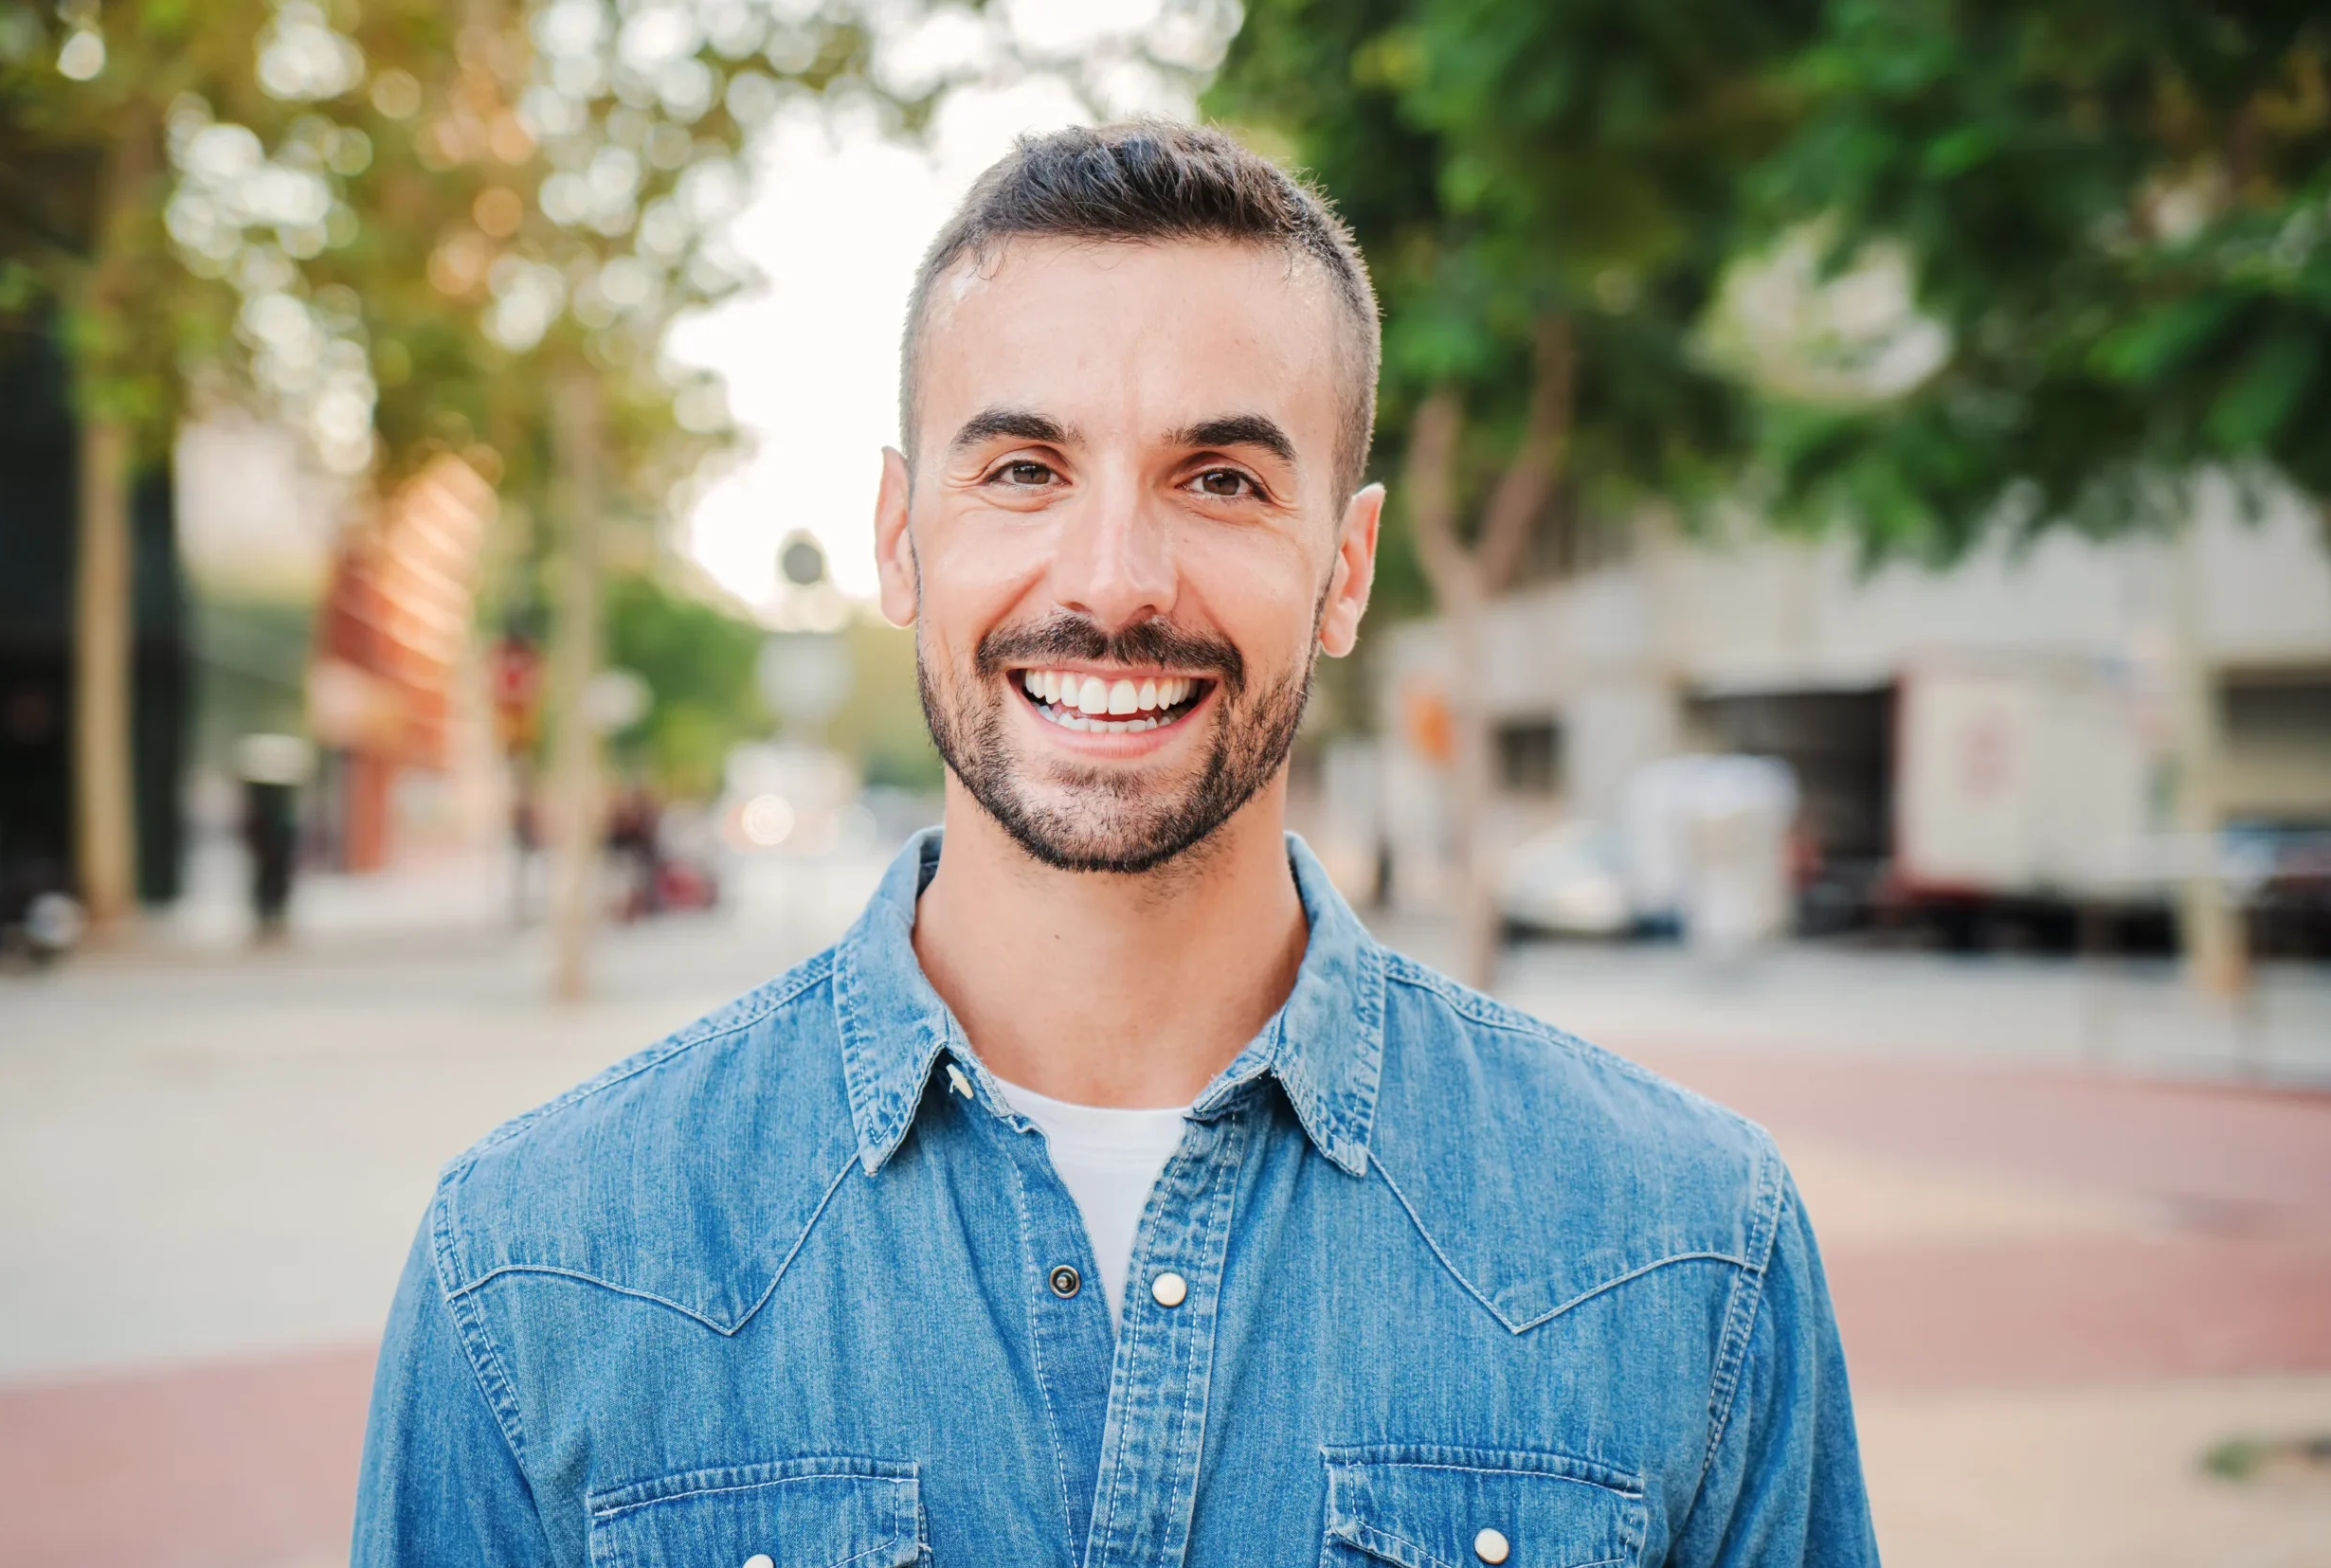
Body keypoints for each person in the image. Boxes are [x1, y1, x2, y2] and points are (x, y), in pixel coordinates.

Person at [353, 122, 1877, 1567]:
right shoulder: (536, 1262)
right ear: (902, 538)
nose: (1113, 579)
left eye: (1220, 479)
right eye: (1023, 468)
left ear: (1343, 571)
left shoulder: (1688, 1249)